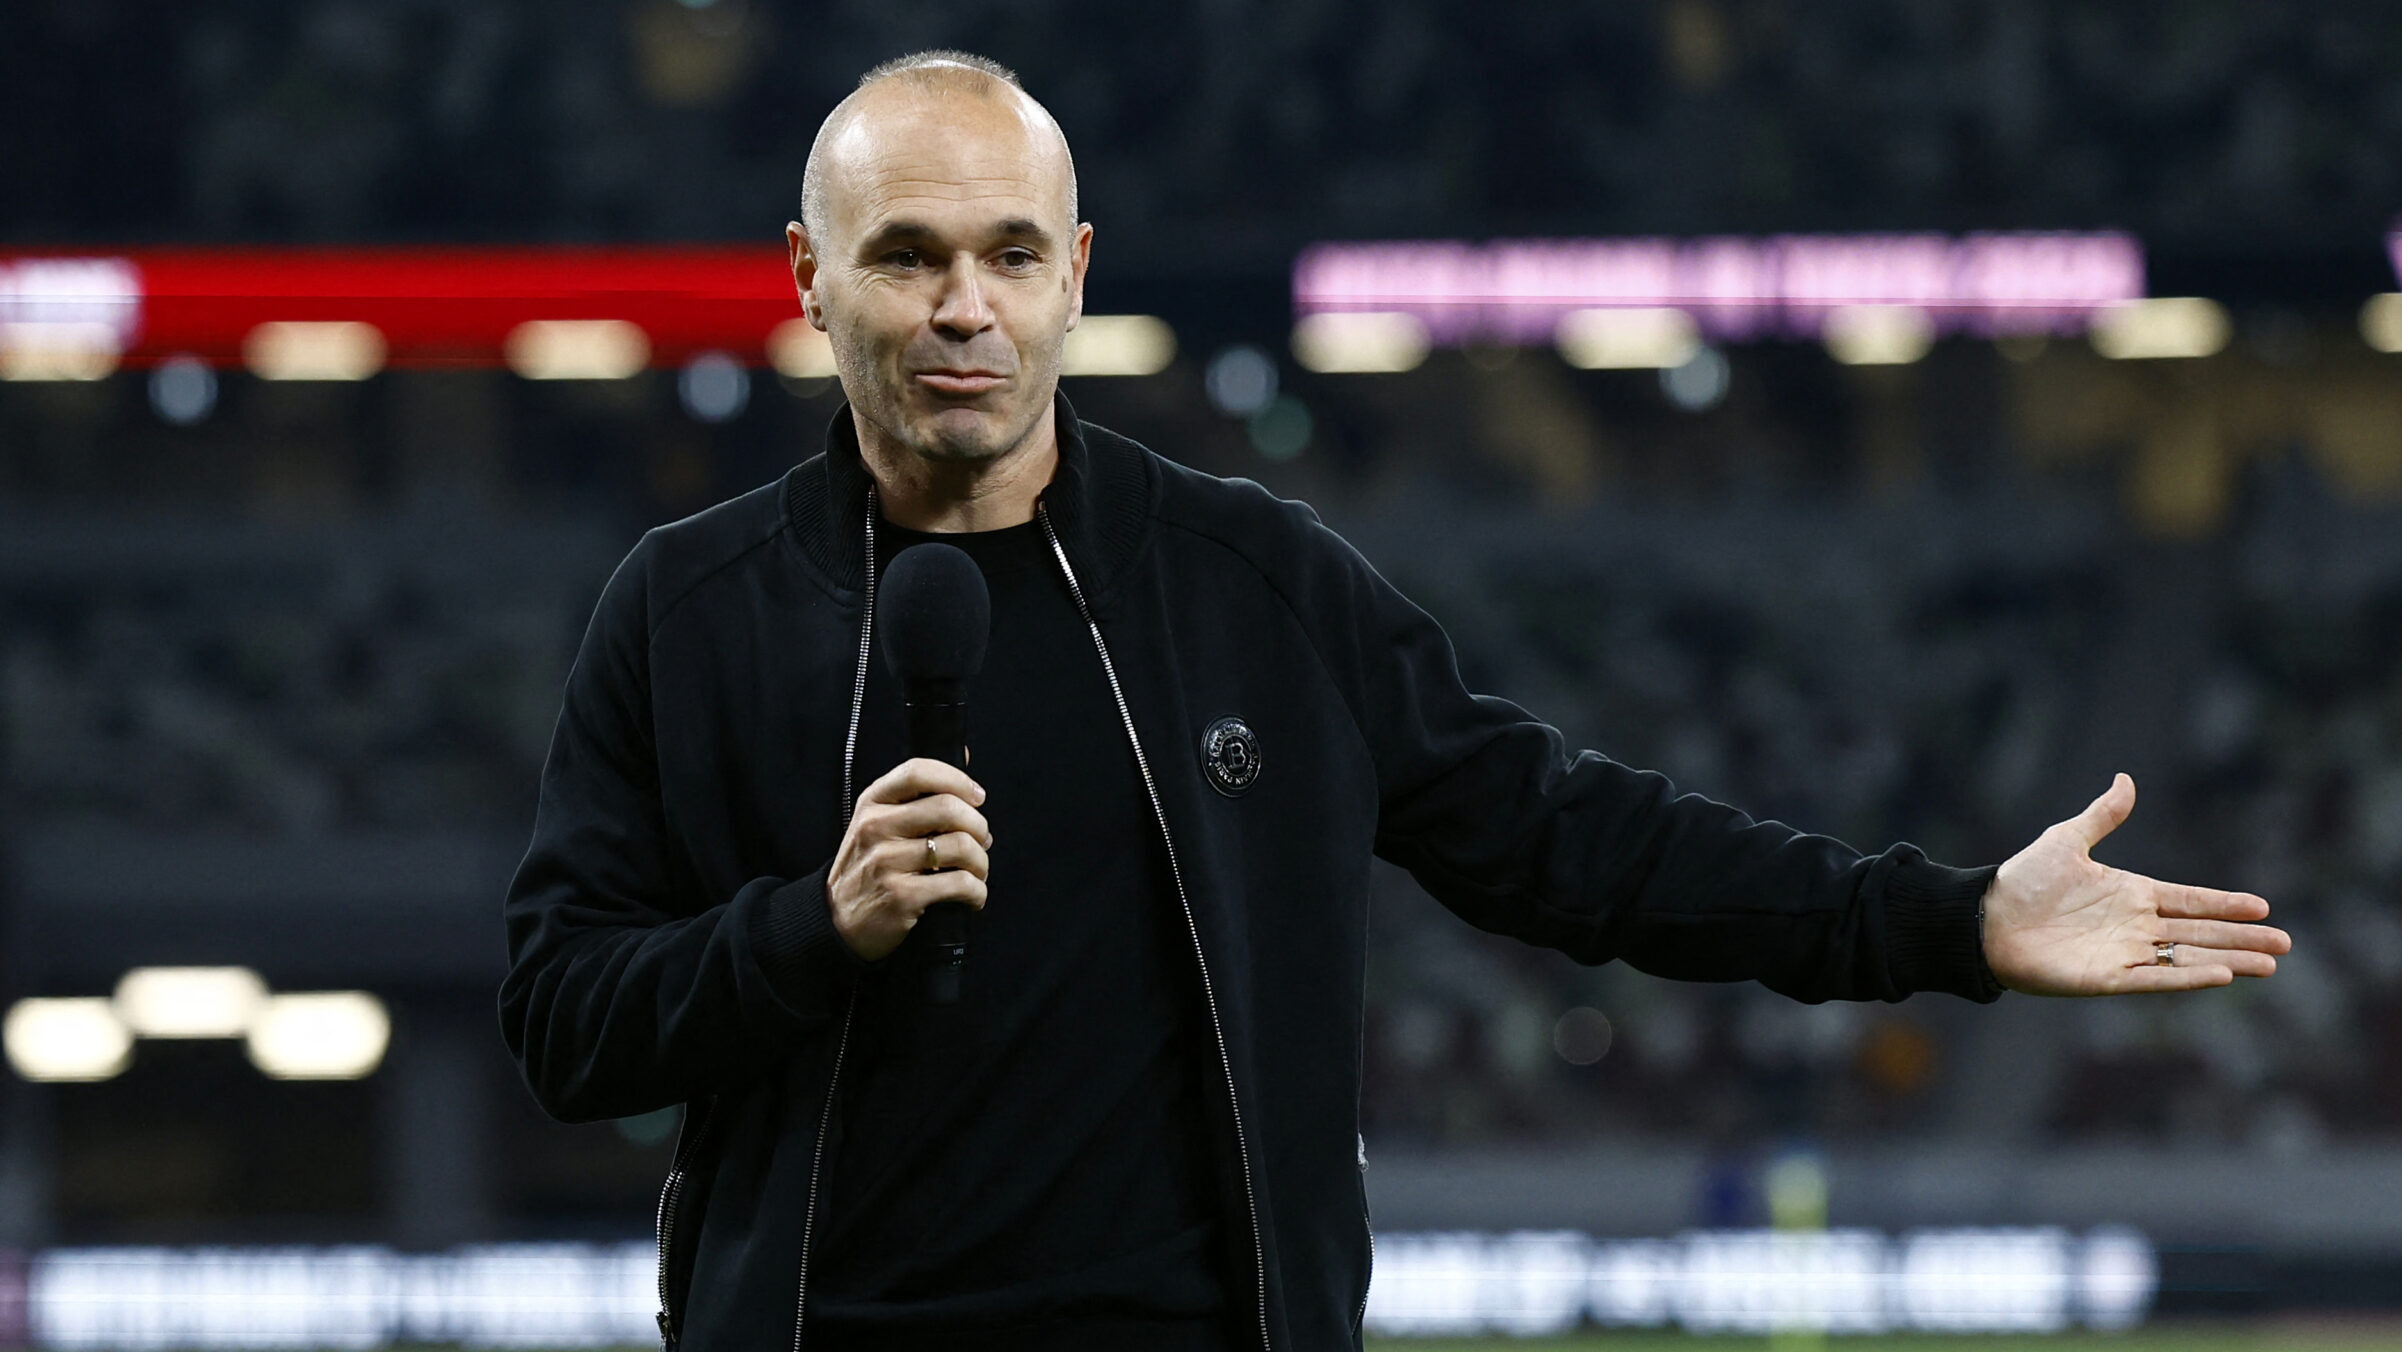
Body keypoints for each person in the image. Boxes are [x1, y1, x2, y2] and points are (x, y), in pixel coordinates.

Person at [497, 50, 2292, 1352]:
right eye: (904, 256)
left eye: (1009, 254)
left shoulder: (1247, 586)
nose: (963, 306)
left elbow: (1573, 843)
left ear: (1077, 275)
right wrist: (807, 929)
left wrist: (1957, 919)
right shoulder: (691, 608)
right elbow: (566, 1017)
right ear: (810, 281)